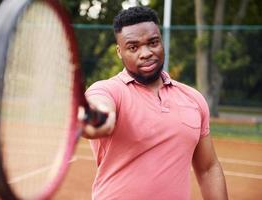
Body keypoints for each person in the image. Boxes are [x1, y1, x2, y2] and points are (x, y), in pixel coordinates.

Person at [80, 6, 228, 200]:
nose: (146, 53)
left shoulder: (193, 98)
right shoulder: (108, 90)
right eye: (133, 47)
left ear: (161, 42)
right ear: (119, 51)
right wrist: (98, 119)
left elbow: (208, 168)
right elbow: (98, 110)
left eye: (153, 42)